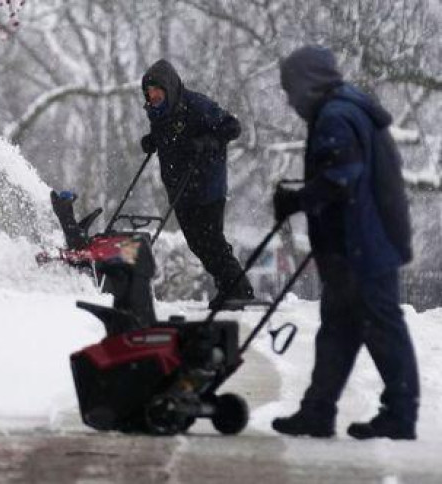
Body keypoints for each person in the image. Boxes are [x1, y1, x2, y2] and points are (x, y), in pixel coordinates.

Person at [271, 45, 420, 440]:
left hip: (361, 247)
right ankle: (317, 411)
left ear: (307, 85)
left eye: (290, 90)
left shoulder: (336, 117)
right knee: (338, 330)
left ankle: (400, 416)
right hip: (357, 246)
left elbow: (342, 178)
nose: (289, 100)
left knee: (383, 329)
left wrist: (297, 199)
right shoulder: (347, 109)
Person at [140, 59, 254, 309]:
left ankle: (239, 289)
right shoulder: (158, 113)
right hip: (179, 189)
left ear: (169, 87)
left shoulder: (196, 105)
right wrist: (152, 140)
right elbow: (171, 140)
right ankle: (229, 286)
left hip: (207, 186)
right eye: (149, 92)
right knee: (197, 243)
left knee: (211, 240)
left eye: (157, 90)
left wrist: (208, 143)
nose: (153, 95)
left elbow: (232, 127)